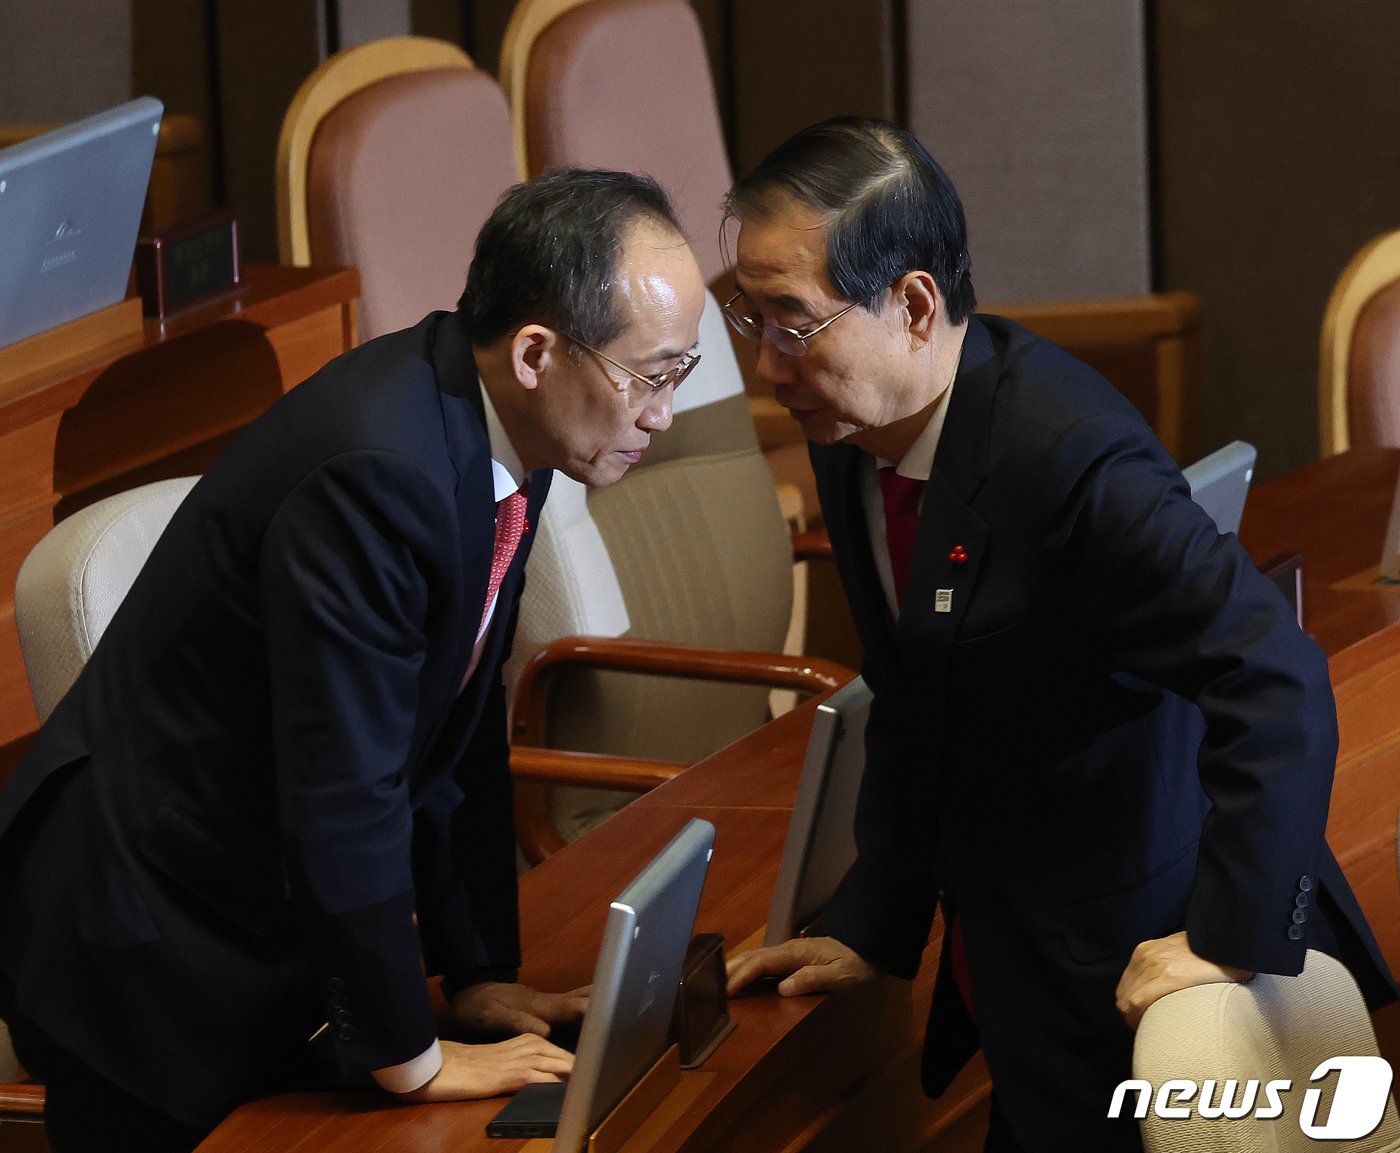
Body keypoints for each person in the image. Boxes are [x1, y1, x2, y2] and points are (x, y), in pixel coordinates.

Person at [720, 118, 1395, 1152]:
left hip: (1121, 951)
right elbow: (912, 690)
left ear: (911, 304)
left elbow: (1273, 677)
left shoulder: (1065, 461)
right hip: (1006, 936)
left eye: (790, 322)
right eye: (746, 317)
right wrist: (871, 918)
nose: (767, 364)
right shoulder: (851, 424)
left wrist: (1225, 940)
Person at [0, 168, 707, 1153]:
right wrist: (407, 1054)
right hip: (148, 931)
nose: (663, 413)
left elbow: (454, 732)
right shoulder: (383, 473)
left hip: (263, 910)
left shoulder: (508, 432)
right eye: (652, 374)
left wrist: (476, 975)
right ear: (539, 352)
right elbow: (348, 786)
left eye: (681, 371)